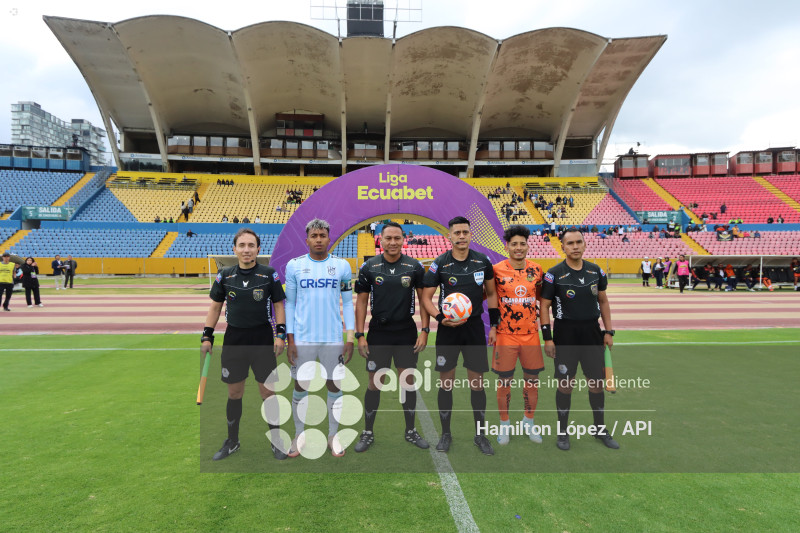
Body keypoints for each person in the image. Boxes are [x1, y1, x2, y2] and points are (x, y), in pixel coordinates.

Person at [202, 229, 288, 461]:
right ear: (235, 249)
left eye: (251, 245)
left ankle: (277, 440)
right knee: (234, 392)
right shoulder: (225, 275)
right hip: (234, 340)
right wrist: (207, 336)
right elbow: (215, 307)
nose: (247, 249)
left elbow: (279, 304)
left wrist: (281, 334)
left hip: (262, 339)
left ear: (258, 249)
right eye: (242, 245)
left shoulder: (269, 274)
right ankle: (232, 441)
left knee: (268, 392)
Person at [421, 216, 498, 456]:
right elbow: (425, 296)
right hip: (448, 329)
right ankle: (446, 433)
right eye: (457, 233)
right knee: (447, 383)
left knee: (477, 383)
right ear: (450, 236)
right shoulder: (440, 263)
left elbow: (492, 294)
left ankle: (480, 435)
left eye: (465, 232)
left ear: (470, 235)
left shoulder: (482, 261)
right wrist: (439, 318)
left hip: (474, 328)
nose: (462, 236)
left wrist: (493, 325)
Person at [353, 222, 430, 453]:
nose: (393, 242)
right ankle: (367, 432)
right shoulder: (370, 267)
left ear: (403, 239)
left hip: (406, 331)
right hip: (378, 332)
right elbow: (361, 303)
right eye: (389, 238)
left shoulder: (414, 266)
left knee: (407, 382)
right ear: (381, 240)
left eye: (397, 238)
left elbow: (424, 301)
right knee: (375, 383)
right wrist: (360, 335)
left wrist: (424, 330)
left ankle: (410, 431)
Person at [540, 228, 618, 451]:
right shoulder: (553, 274)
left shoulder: (596, 271)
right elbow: (544, 305)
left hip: (592, 334)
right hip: (565, 335)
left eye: (578, 242)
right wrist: (548, 338)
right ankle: (563, 433)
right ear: (562, 247)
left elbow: (603, 301)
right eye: (570, 243)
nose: (575, 246)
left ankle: (599, 429)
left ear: (584, 245)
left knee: (596, 384)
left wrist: (608, 332)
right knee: (566, 385)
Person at [285, 218, 355, 458]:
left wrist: (350, 337)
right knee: (300, 386)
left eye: (322, 235)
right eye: (314, 236)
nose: (318, 240)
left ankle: (333, 436)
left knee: (334, 385)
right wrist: (290, 339)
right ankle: (299, 434)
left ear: (329, 238)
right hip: (303, 339)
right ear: (307, 240)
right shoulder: (294, 266)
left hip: (333, 338)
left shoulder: (342, 266)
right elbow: (291, 303)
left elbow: (347, 302)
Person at [492, 225, 545, 445]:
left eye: (522, 243)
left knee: (532, 381)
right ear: (507, 246)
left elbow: (543, 299)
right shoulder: (496, 270)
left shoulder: (537, 270)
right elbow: (488, 298)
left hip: (531, 334)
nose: (518, 247)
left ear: (528, 245)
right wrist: (493, 328)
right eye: (514, 243)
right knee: (505, 382)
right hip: (506, 335)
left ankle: (528, 421)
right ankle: (504, 424)